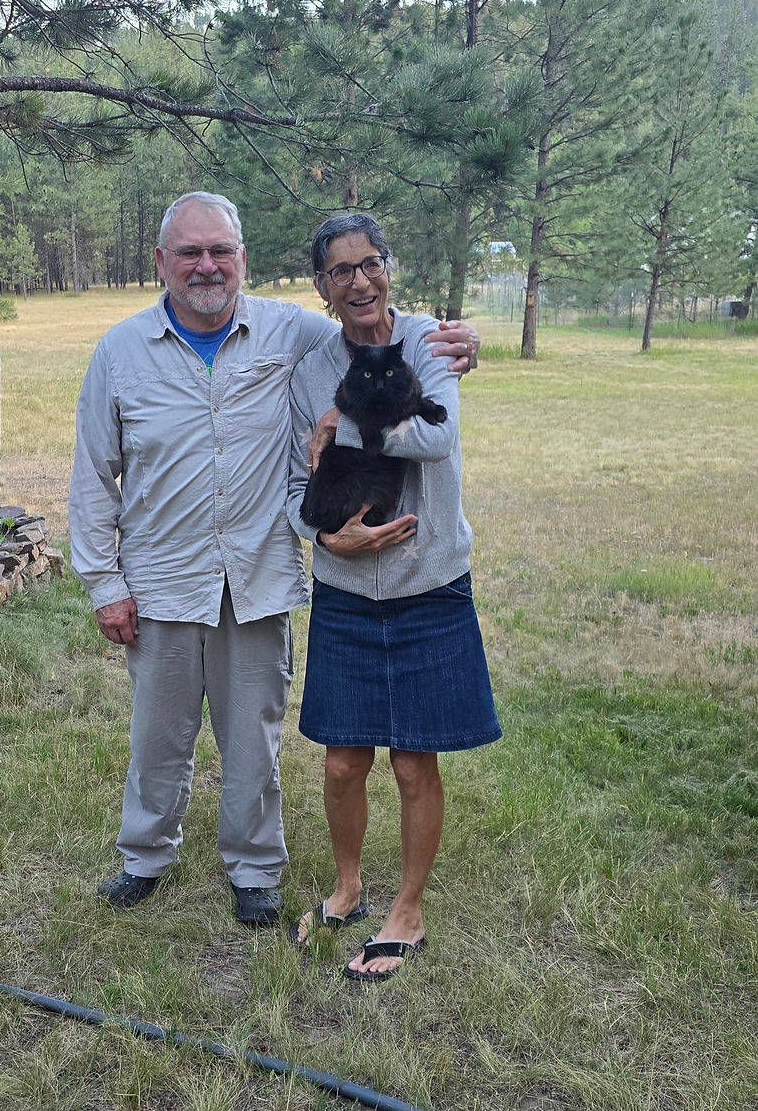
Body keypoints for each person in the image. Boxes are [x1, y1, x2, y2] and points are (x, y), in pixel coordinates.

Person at [69, 192, 481, 926]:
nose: (206, 266)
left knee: (253, 737)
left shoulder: (286, 330)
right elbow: (93, 475)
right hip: (162, 577)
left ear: (243, 260)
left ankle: (255, 868)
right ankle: (144, 855)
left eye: (220, 251)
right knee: (157, 737)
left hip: (256, 576)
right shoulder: (121, 352)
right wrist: (106, 583)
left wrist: (459, 345)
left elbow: (391, 354)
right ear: (161, 261)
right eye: (190, 252)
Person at [286, 212, 501, 977]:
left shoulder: (434, 342)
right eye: (340, 271)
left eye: (369, 263)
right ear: (322, 287)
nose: (359, 281)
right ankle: (346, 889)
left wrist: (346, 423)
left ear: (390, 267)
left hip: (430, 581)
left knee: (413, 764)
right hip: (347, 588)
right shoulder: (309, 366)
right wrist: (324, 536)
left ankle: (406, 910)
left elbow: (436, 438)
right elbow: (292, 478)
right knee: (344, 762)